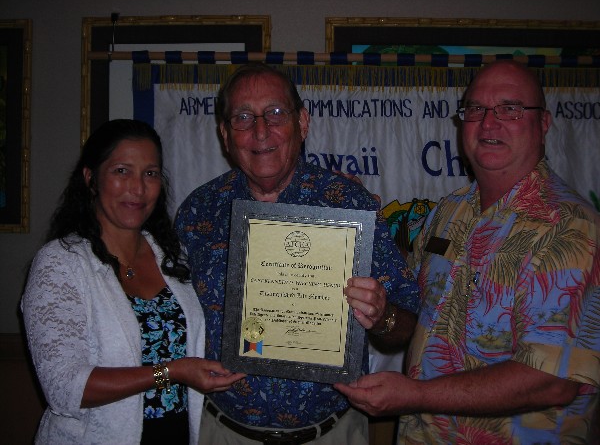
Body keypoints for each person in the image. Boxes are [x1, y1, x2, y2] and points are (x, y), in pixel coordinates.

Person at [335, 60, 600, 443]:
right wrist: (361, 223)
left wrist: (415, 396)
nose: (489, 123)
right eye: (476, 109)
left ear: (543, 123)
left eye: (510, 108)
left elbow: (552, 381)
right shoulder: (449, 211)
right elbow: (410, 310)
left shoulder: (573, 230)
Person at [174, 63, 420, 444]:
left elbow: (405, 326)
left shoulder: (349, 204)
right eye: (243, 117)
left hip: (332, 434)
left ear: (302, 123)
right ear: (225, 135)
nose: (260, 131)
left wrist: (381, 313)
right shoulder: (197, 212)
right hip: (223, 432)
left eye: (275, 114)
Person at [21, 119, 244, 444]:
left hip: (178, 434)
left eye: (150, 173)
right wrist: (172, 371)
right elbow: (66, 388)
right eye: (122, 171)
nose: (138, 188)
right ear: (91, 179)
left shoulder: (171, 255)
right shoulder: (60, 264)